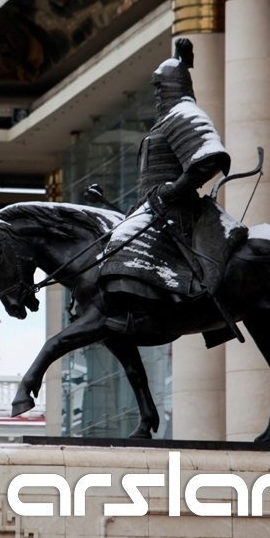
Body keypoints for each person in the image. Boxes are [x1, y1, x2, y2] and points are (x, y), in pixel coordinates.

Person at [100, 38, 246, 344]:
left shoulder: (184, 114)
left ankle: (144, 313)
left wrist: (174, 190)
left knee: (126, 247)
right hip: (154, 206)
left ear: (173, 86)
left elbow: (210, 159)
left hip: (176, 210)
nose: (156, 94)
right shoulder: (166, 120)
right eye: (155, 88)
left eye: (160, 88)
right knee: (110, 243)